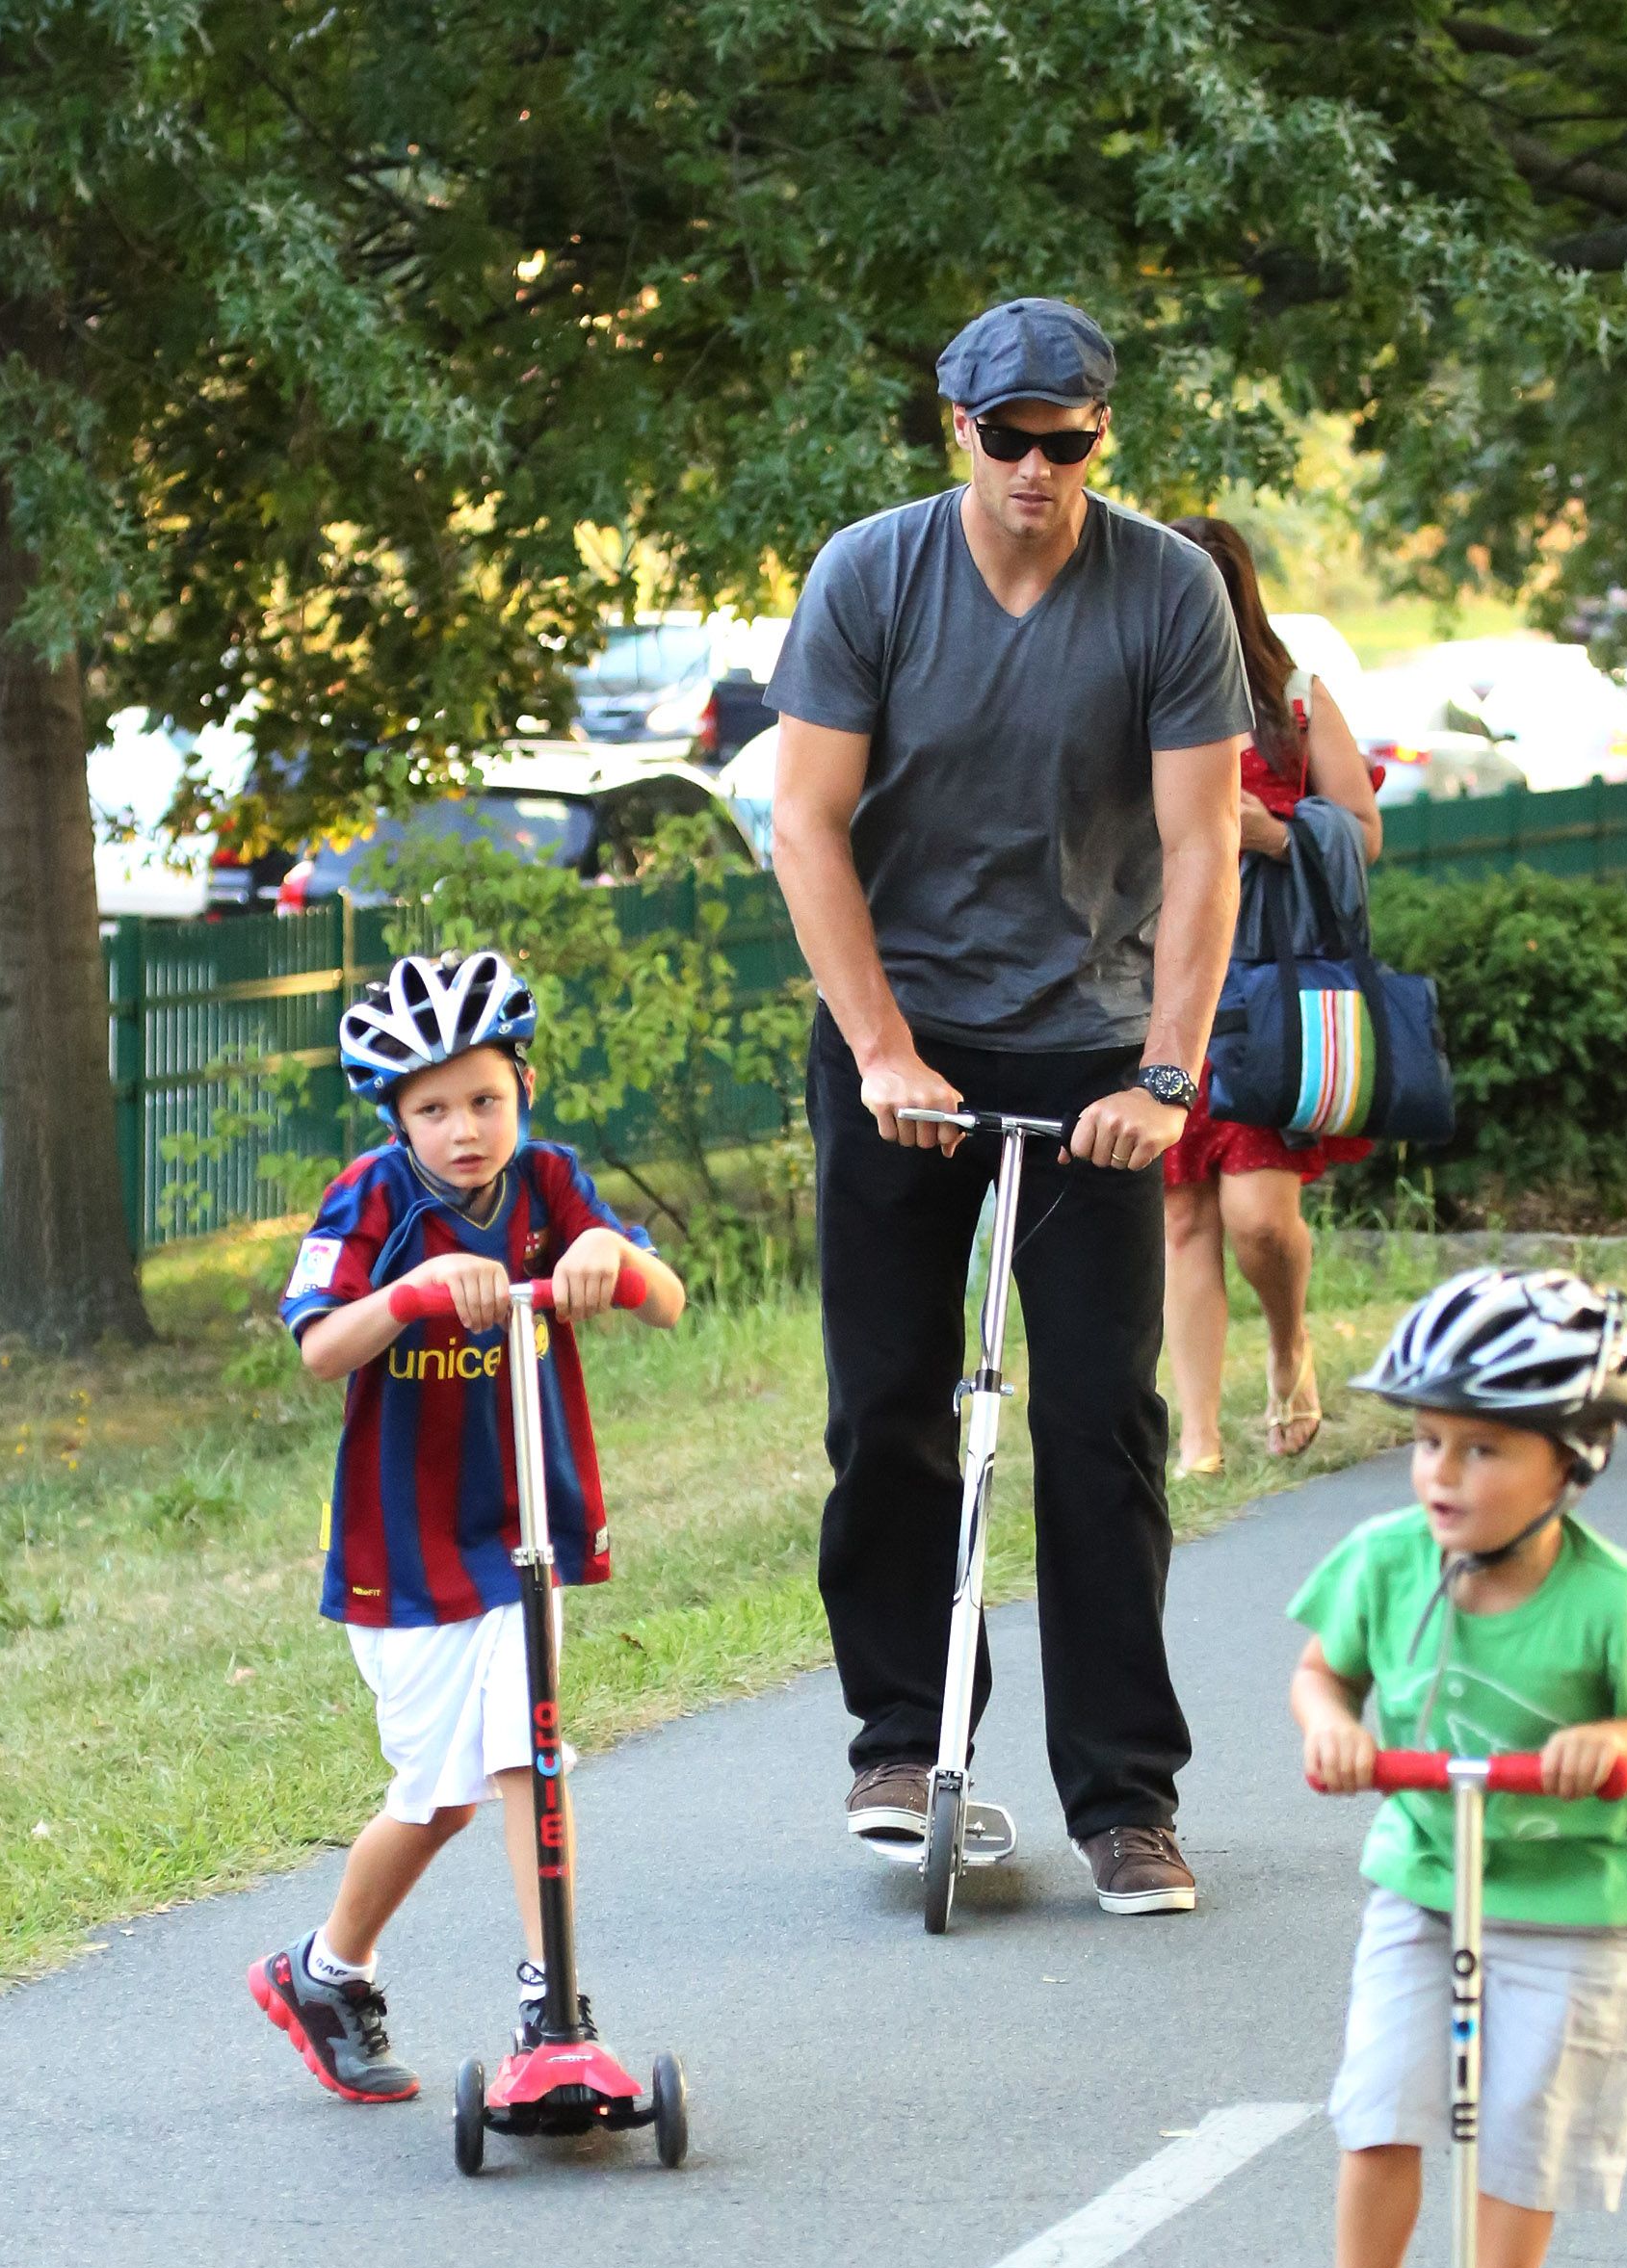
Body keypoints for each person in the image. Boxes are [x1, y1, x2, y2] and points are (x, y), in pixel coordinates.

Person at [766, 297, 1250, 1917]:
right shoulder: (871, 576)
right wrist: (886, 1049)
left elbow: (1199, 850)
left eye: (1065, 441)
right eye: (1005, 438)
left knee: (1100, 1426)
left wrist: (1165, 1072)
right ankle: (903, 1744)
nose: (1035, 469)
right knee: (888, 1407)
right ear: (951, 426)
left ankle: (1124, 1798)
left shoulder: (1166, 593)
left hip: (1088, 1053)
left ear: (1100, 433)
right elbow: (805, 830)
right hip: (897, 1040)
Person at [1244, 1267, 1627, 2268]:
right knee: (1381, 2103)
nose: (1442, 1477)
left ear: (1575, 1458)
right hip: (1423, 1880)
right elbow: (1320, 1672)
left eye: (1484, 1451)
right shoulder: (1386, 1561)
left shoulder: (1610, 1600)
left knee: (1521, 2129)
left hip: (1578, 1910)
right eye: (1427, 1444)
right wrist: (1333, 1729)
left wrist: (1611, 1740)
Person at [248, 950, 685, 2101]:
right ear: (397, 1120)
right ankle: (324, 1969)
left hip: (520, 1532)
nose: (463, 1131)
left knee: (523, 1756)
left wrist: (610, 1254)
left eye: (484, 1099)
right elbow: (315, 1347)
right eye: (432, 1110)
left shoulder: (549, 1185)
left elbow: (666, 1298)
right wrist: (409, 1295)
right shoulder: (373, 1198)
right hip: (404, 1552)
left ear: (523, 1090)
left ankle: (555, 2007)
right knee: (436, 1797)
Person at [1159, 518, 1384, 1475]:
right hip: (1160, 981)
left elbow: (1363, 832)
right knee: (1181, 1214)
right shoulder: (1130, 694)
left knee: (1256, 1214)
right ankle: (1200, 1435)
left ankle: (1289, 1343)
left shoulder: (1292, 697)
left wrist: (1274, 832)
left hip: (1266, 985)